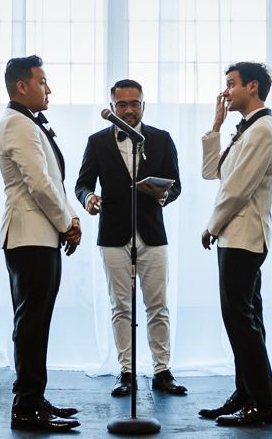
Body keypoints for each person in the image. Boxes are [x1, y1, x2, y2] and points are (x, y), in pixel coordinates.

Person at [75, 79, 186, 396]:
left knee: (158, 305)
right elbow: (82, 184)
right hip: (112, 234)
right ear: (112, 108)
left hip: (152, 233)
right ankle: (126, 372)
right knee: (120, 306)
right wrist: (88, 200)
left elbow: (176, 184)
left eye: (133, 103)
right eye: (121, 104)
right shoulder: (97, 142)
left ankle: (162, 371)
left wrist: (164, 196)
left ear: (143, 105)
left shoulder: (162, 139)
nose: (127, 109)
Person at [0, 55, 82, 432]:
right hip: (29, 237)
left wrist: (71, 218)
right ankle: (26, 406)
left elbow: (53, 183)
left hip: (39, 237)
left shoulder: (26, 123)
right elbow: (39, 184)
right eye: (43, 81)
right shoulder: (17, 125)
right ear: (22, 86)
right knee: (31, 324)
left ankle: (35, 399)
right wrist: (66, 224)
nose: (49, 89)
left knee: (36, 322)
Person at [199, 62, 272, 427]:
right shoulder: (246, 130)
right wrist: (216, 128)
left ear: (253, 87)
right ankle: (246, 393)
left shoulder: (263, 130)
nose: (226, 91)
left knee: (241, 321)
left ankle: (263, 405)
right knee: (246, 319)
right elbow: (212, 172)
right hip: (237, 237)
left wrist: (211, 227)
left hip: (243, 236)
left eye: (231, 84)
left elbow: (237, 189)